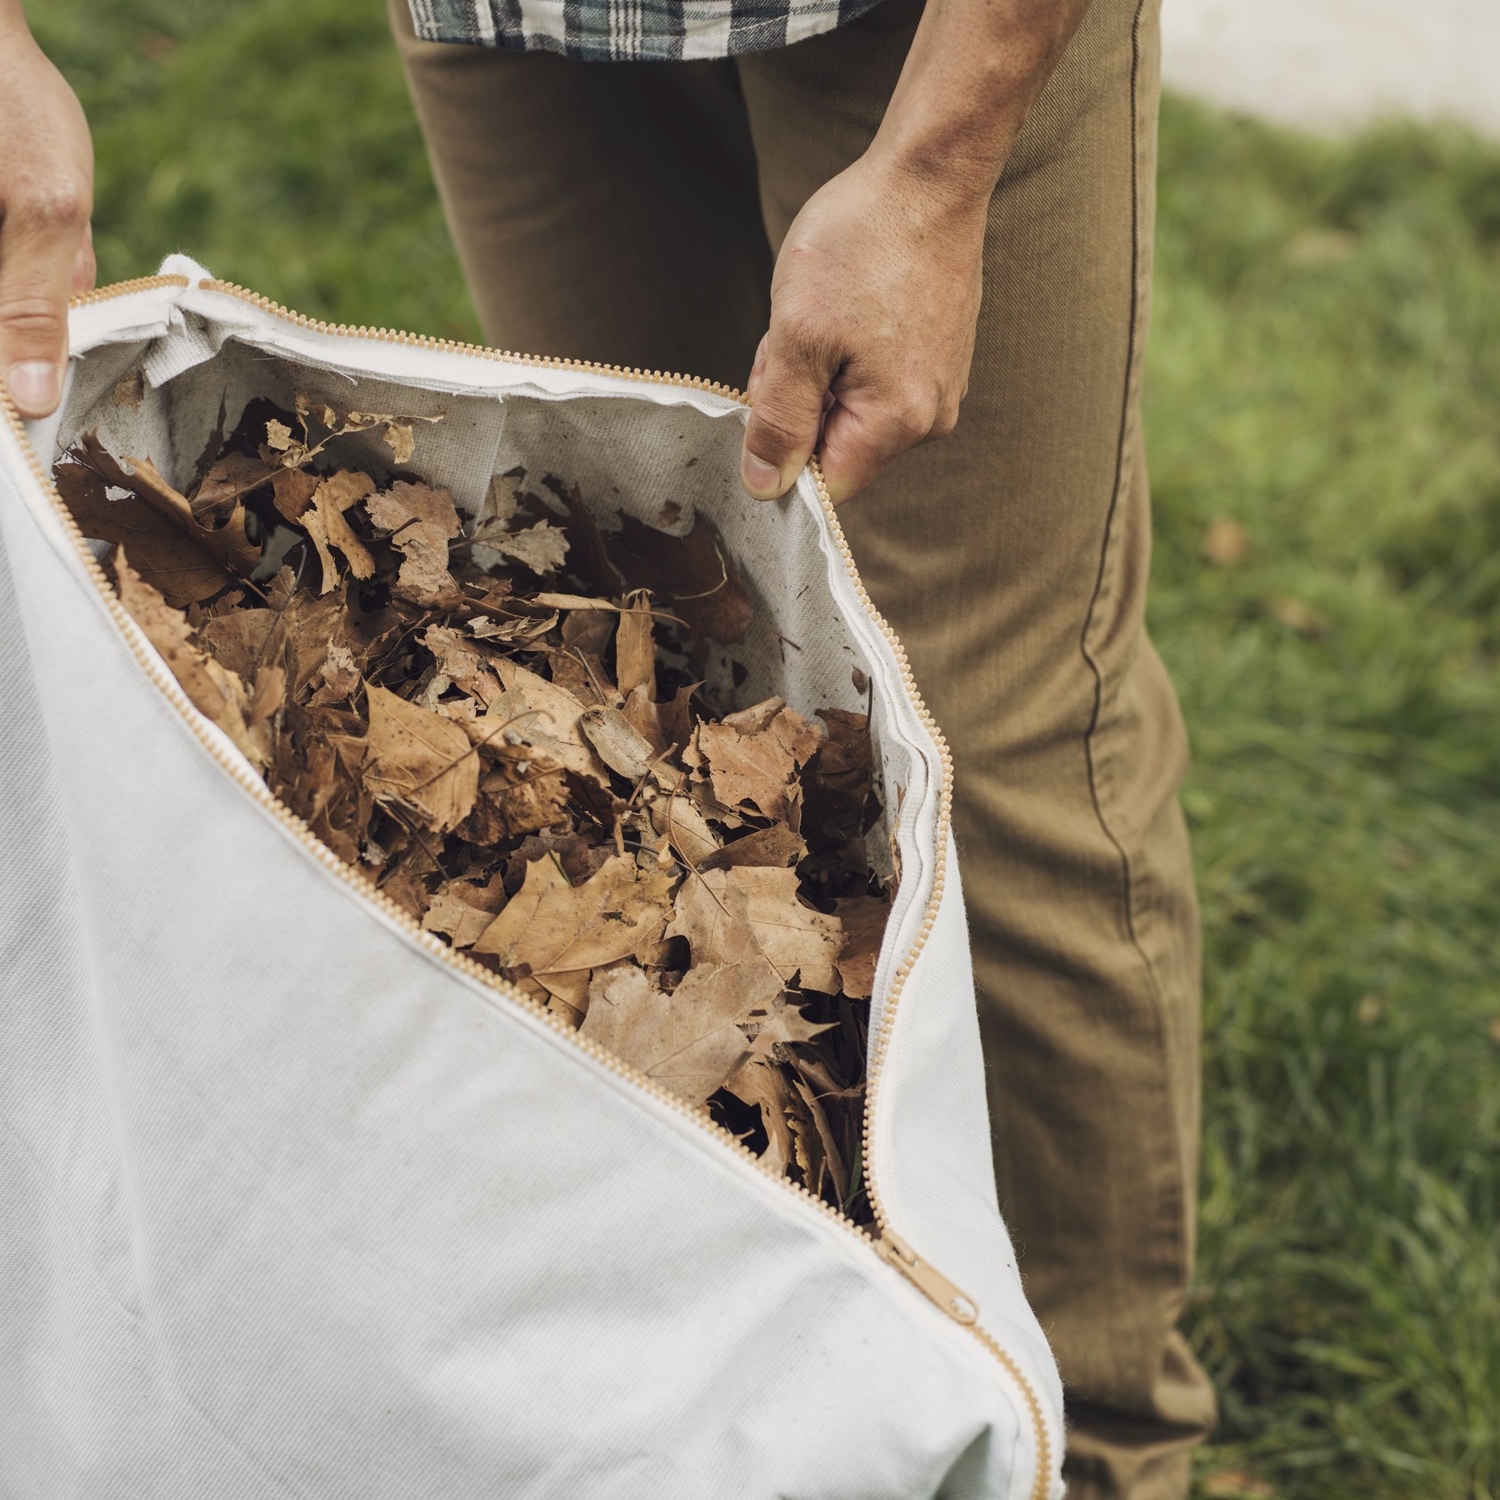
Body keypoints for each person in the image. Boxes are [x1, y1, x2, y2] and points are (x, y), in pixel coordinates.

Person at [0, 0, 1217, 1489]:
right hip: (531, 21)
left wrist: (935, 173)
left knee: (985, 726)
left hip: (919, 36)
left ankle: (1093, 1450)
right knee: (655, 587)